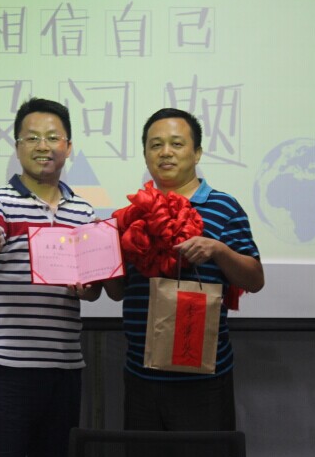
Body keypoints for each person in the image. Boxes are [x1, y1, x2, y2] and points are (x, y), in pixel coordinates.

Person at [104, 107, 264, 432]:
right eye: (155, 145)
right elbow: (118, 292)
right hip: (140, 374)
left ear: (197, 153)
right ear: (145, 154)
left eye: (176, 144)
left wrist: (218, 250)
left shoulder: (225, 207)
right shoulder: (129, 215)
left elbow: (255, 279)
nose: (165, 152)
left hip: (203, 378)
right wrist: (100, 258)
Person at [0, 97, 101, 457]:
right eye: (32, 138)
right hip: (6, 366)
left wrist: (86, 287)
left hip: (64, 367)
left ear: (68, 147)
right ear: (18, 146)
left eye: (53, 138)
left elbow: (92, 290)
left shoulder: (84, 211)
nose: (44, 146)